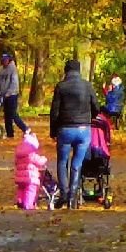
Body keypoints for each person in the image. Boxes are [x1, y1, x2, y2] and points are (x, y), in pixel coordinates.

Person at [47, 57, 97, 206]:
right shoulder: (88, 86)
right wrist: (89, 118)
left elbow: (54, 111)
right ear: (79, 71)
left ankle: (63, 193)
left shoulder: (61, 87)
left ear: (66, 71)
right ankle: (72, 197)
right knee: (77, 163)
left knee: (62, 162)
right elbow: (96, 107)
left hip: (65, 129)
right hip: (83, 130)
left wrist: (53, 131)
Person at [0, 50, 23, 137]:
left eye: (5, 60)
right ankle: (10, 133)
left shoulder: (13, 69)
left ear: (9, 60)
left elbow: (14, 83)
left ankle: (25, 129)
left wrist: (8, 93)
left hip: (12, 95)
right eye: (3, 60)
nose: (4, 61)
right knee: (7, 116)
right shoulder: (0, 70)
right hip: (4, 95)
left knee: (13, 114)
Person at [12, 128, 43, 210]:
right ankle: (28, 205)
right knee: (30, 191)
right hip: (30, 178)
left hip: (20, 177)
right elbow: (39, 161)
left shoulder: (19, 154)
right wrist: (44, 159)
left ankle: (20, 201)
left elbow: (16, 163)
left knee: (21, 189)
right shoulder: (31, 154)